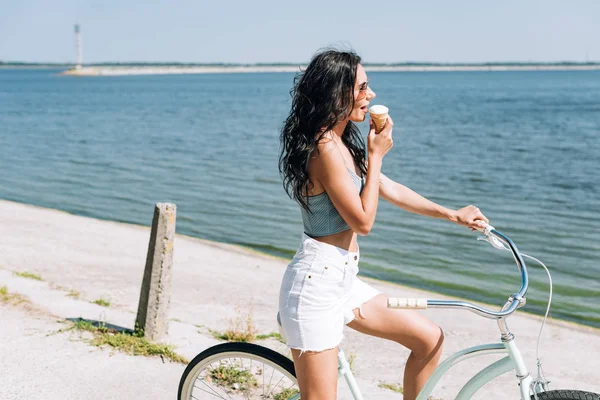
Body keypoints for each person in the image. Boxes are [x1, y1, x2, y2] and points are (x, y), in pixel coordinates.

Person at [278, 48, 489, 400]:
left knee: (429, 339)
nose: (371, 95)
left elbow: (388, 188)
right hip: (315, 288)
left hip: (342, 279)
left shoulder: (341, 141)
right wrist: (376, 155)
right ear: (337, 93)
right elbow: (362, 222)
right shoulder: (324, 148)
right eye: (362, 88)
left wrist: (453, 214)